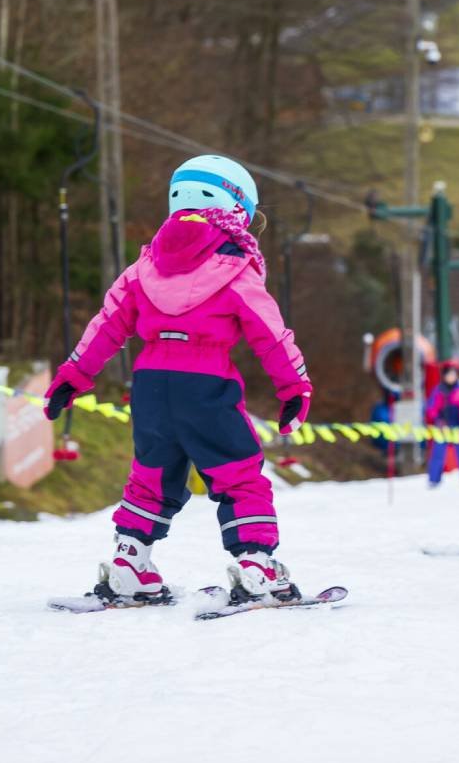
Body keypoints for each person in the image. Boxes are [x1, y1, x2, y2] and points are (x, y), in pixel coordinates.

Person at [44, 155, 313, 604]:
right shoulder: (235, 266)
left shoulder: (145, 264)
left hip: (149, 383)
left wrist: (74, 375)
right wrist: (294, 387)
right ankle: (256, 565)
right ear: (237, 208)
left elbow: (108, 323)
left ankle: (130, 561)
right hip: (206, 381)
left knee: (151, 473)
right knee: (237, 472)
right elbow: (270, 333)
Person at [425, 360, 459, 488]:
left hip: (458, 427)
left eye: (453, 375)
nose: (451, 377)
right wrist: (438, 419)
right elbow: (431, 408)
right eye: (449, 374)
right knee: (438, 453)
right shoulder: (439, 391)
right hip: (442, 426)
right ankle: (434, 479)